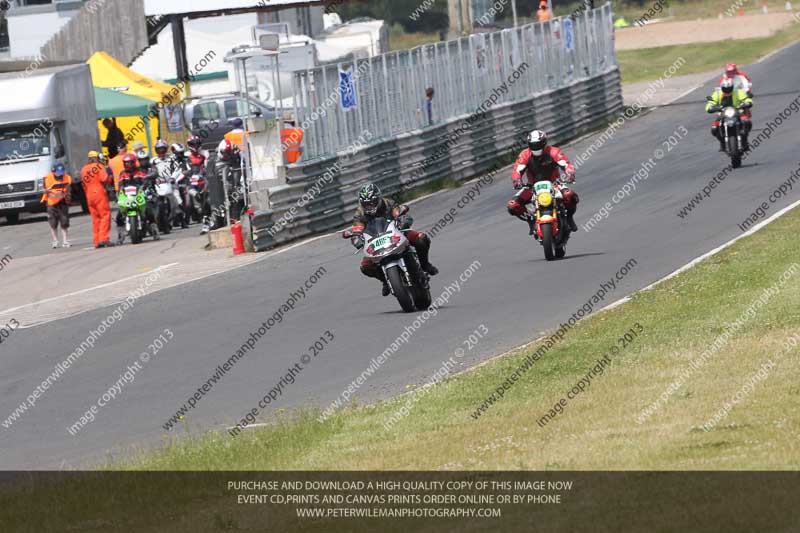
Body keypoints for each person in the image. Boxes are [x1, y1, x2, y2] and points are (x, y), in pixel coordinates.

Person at [349, 183, 438, 297]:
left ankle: (425, 264)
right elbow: (357, 229)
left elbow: (399, 213)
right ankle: (385, 281)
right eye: (366, 204)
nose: (370, 206)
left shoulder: (388, 204)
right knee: (365, 266)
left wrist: (402, 220)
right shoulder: (359, 214)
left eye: (372, 202)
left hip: (397, 233)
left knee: (421, 238)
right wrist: (356, 239)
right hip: (376, 242)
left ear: (379, 199)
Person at [507, 130, 578, 234]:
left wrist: (570, 174)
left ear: (544, 142)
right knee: (513, 205)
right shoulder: (525, 155)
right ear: (529, 144)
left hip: (555, 184)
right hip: (532, 187)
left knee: (569, 195)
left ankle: (569, 217)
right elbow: (517, 170)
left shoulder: (554, 151)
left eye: (538, 144)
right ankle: (531, 221)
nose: (536, 147)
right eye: (533, 145)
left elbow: (566, 164)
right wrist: (517, 181)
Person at [706, 78, 753, 152]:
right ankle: (722, 142)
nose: (727, 90)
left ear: (732, 87)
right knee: (714, 128)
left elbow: (746, 99)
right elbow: (711, 103)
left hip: (738, 112)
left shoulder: (738, 92)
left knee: (747, 122)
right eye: (725, 89)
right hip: (722, 114)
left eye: (729, 89)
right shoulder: (717, 94)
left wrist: (748, 102)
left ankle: (744, 141)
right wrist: (710, 108)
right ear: (722, 88)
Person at [80, 151, 113, 248]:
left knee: (95, 218)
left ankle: (97, 241)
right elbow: (104, 179)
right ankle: (104, 239)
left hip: (89, 195)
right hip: (99, 193)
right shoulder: (99, 166)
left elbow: (83, 184)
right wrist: (110, 177)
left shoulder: (83, 169)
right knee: (105, 215)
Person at [40, 163, 73, 248]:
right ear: (53, 171)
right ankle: (55, 240)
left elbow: (68, 188)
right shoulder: (47, 178)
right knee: (53, 222)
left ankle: (65, 241)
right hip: (51, 203)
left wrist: (66, 194)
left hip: (62, 201)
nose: (60, 174)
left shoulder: (67, 177)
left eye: (61, 172)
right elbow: (43, 191)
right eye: (58, 172)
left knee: (64, 221)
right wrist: (47, 190)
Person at [216, 138, 244, 223]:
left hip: (234, 182)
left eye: (227, 152)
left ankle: (236, 216)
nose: (226, 155)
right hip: (221, 184)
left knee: (238, 193)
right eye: (224, 152)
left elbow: (240, 169)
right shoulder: (218, 160)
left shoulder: (237, 156)